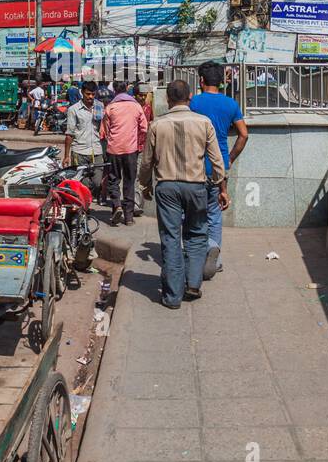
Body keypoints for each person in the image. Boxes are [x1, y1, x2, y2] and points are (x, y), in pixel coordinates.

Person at [139, 80, 227, 308]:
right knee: (197, 235)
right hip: (196, 186)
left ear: (168, 100)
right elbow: (217, 160)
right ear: (190, 98)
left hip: (166, 187)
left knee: (170, 238)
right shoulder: (204, 123)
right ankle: (193, 284)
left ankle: (172, 296)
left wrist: (145, 185)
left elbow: (147, 161)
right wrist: (220, 186)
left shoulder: (157, 125)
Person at [189, 61, 249, 280]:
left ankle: (197, 255)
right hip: (220, 165)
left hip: (194, 166)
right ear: (222, 81)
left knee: (193, 214)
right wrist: (230, 158)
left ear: (201, 80)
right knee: (215, 213)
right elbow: (244, 134)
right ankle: (216, 258)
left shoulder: (193, 102)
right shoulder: (231, 104)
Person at [99, 79, 148, 226]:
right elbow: (144, 127)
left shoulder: (110, 107)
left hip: (114, 149)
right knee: (129, 181)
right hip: (131, 150)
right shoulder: (136, 107)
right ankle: (129, 217)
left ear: (114, 91)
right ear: (127, 89)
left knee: (114, 179)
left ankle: (116, 206)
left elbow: (104, 131)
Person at [63, 82, 105, 191]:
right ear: (82, 93)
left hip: (96, 151)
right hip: (79, 152)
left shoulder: (100, 106)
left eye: (93, 94)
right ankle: (84, 205)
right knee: (82, 184)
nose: (90, 97)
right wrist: (66, 156)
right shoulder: (73, 110)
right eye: (88, 94)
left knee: (97, 183)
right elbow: (69, 134)